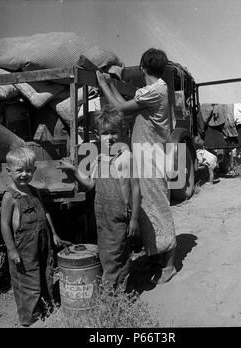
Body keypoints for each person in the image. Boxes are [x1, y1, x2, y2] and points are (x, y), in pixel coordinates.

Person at [96, 48, 177, 284]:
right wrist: (110, 85)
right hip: (145, 156)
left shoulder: (154, 90)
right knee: (146, 208)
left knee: (159, 208)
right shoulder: (154, 90)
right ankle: (156, 257)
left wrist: (103, 85)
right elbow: (124, 103)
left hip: (151, 157)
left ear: (142, 67)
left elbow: (120, 108)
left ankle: (169, 265)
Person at [58, 106, 141, 289]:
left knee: (111, 256)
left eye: (114, 132)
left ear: (122, 133)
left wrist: (134, 219)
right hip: (103, 216)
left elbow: (136, 189)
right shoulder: (100, 158)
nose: (110, 137)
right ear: (98, 135)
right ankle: (123, 291)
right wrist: (74, 170)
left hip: (119, 215)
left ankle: (110, 298)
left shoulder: (127, 157)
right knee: (116, 253)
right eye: (105, 133)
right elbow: (90, 184)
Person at [0, 146, 69, 327]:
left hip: (42, 240)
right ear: (9, 171)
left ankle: (46, 305)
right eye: (19, 170)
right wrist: (12, 250)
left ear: (34, 170)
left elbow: (45, 213)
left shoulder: (35, 191)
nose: (24, 174)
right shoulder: (10, 197)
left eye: (29, 170)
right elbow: (4, 225)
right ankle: (28, 317)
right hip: (23, 246)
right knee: (26, 280)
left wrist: (53, 233)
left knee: (45, 272)